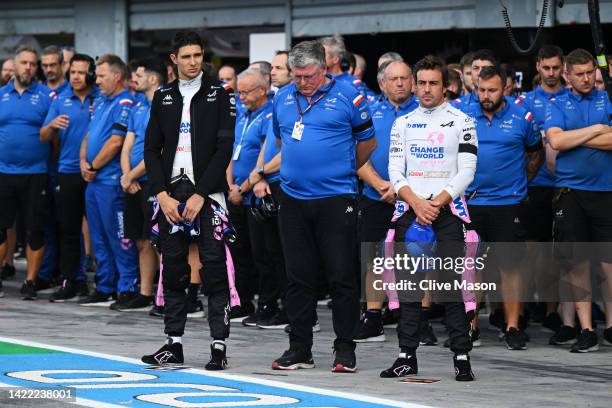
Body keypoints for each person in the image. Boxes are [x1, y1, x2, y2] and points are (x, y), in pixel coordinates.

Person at [270, 40, 376, 373]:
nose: (301, 82)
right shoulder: (283, 98)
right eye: (296, 76)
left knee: (341, 274)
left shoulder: (349, 97)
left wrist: (339, 169)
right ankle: (300, 348)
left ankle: (345, 348)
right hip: (293, 198)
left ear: (324, 68)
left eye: (308, 76)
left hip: (335, 198)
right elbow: (281, 140)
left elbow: (367, 143)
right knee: (298, 276)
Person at [143, 31, 236, 370]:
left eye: (198, 55)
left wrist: (201, 194)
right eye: (186, 56)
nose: (194, 62)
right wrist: (161, 194)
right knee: (174, 269)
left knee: (213, 268)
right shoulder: (162, 94)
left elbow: (224, 149)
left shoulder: (220, 92)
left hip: (207, 193)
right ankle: (173, 343)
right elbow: (151, 149)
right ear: (174, 60)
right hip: (171, 193)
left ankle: (218, 345)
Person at [385, 54, 478, 381]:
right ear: (413, 84)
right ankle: (406, 356)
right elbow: (395, 170)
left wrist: (435, 203)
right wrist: (416, 203)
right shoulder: (402, 123)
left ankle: (462, 355)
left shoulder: (462, 120)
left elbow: (467, 170)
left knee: (453, 286)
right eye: (420, 82)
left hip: (448, 212)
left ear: (446, 86)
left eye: (432, 83)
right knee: (409, 287)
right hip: (412, 211)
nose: (425, 89)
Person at [463, 66, 544, 350]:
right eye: (481, 90)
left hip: (508, 204)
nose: (486, 96)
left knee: (511, 266)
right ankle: (469, 327)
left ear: (506, 87)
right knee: (471, 266)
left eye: (492, 90)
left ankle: (512, 326)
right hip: (470, 203)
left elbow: (536, 151)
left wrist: (523, 182)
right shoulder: (460, 113)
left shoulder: (523, 117)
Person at [544, 48, 612, 352]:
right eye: (580, 74)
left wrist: (577, 136)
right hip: (571, 192)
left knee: (609, 263)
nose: (586, 78)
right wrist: (599, 129)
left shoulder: (607, 97)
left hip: (606, 190)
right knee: (577, 263)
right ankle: (586, 329)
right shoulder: (557, 102)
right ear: (567, 76)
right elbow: (556, 141)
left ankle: (611, 325)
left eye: (589, 72)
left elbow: (566, 139)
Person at [355, 60, 418, 343]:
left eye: (405, 78)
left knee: (417, 260)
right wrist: (380, 183)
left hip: (415, 199)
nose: (400, 83)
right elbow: (356, 154)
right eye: (394, 79)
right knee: (375, 261)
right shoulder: (369, 111)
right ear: (382, 84)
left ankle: (417, 319)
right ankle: (373, 317)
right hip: (375, 195)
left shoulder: (424, 112)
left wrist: (405, 190)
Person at [77, 54, 139, 307]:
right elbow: (88, 136)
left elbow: (116, 143)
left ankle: (127, 285)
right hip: (93, 181)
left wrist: (92, 165)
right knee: (98, 235)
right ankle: (105, 284)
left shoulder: (125, 102)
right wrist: (83, 162)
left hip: (111, 181)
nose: (97, 80)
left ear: (117, 76)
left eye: (102, 76)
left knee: (118, 236)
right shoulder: (102, 101)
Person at [516, 45, 569, 341]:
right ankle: (525, 309)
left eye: (555, 68)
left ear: (562, 68)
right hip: (534, 186)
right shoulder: (525, 102)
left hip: (565, 185)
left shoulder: (572, 97)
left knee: (558, 253)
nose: (550, 73)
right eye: (545, 67)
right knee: (531, 252)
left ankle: (552, 311)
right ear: (538, 66)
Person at [40, 53, 98, 302]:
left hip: (97, 172)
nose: (75, 76)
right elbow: (43, 136)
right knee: (69, 230)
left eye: (81, 72)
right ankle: (71, 281)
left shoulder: (102, 99)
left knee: (100, 231)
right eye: (72, 72)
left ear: (91, 74)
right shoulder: (60, 100)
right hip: (67, 171)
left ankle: (108, 284)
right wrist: (52, 125)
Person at [0, 45, 54, 300]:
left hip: (36, 173)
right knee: (1, 228)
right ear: (15, 64)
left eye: (33, 64)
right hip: (3, 172)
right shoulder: (1, 95)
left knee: (35, 229)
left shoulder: (46, 97)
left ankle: (30, 281)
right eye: (24, 63)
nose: (28, 68)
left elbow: (52, 136)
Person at [116, 58, 166, 311]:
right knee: (141, 240)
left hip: (153, 183)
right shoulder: (138, 107)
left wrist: (132, 175)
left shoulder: (166, 106)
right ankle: (145, 293)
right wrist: (127, 176)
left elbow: (157, 150)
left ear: (154, 79)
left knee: (158, 240)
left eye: (140, 74)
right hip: (133, 182)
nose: (135, 78)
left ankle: (165, 296)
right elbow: (127, 144)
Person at [248, 50, 293, 330]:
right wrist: (259, 173)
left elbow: (290, 147)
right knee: (269, 252)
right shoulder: (278, 101)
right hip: (269, 184)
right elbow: (269, 142)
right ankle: (273, 305)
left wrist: (264, 171)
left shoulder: (296, 102)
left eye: (279, 67)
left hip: (288, 185)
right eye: (273, 67)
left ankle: (293, 311)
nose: (273, 71)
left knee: (288, 253)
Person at [226, 68, 274, 324]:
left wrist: (243, 187)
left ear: (262, 90)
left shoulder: (270, 115)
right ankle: (241, 300)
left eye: (245, 91)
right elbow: (230, 150)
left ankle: (267, 302)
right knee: (238, 251)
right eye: (238, 91)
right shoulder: (241, 114)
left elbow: (262, 157)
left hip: (253, 193)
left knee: (262, 253)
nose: (241, 96)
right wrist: (230, 185)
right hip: (235, 192)